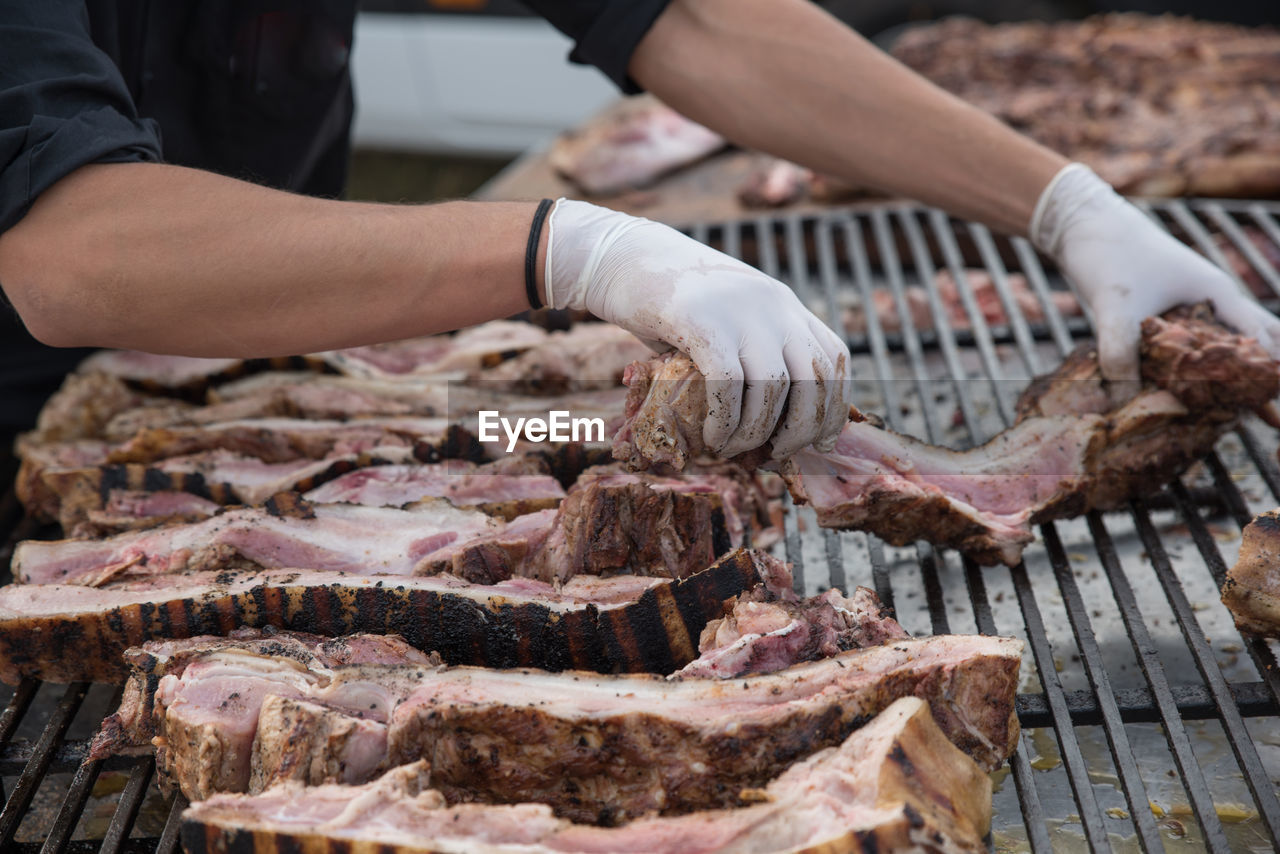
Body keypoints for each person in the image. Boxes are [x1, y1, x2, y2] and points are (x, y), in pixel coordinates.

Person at [1, 1, 1276, 460]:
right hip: (31, 422)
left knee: (511, 433)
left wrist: (1062, 204)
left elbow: (696, 20)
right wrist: (573, 249)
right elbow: (76, 251)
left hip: (259, 372)